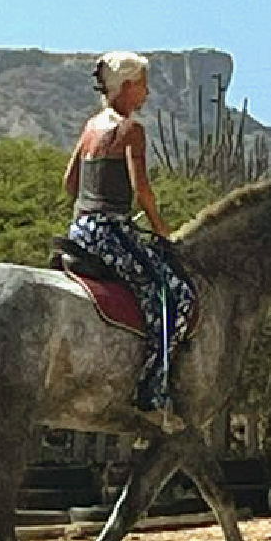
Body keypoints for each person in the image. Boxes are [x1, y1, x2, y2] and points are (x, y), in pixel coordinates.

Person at [64, 51, 195, 430]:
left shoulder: (90, 127)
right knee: (173, 295)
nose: (146, 93)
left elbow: (69, 183)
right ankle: (151, 394)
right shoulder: (130, 131)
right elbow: (142, 190)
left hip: (80, 230)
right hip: (110, 232)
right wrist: (160, 229)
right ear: (124, 87)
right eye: (142, 85)